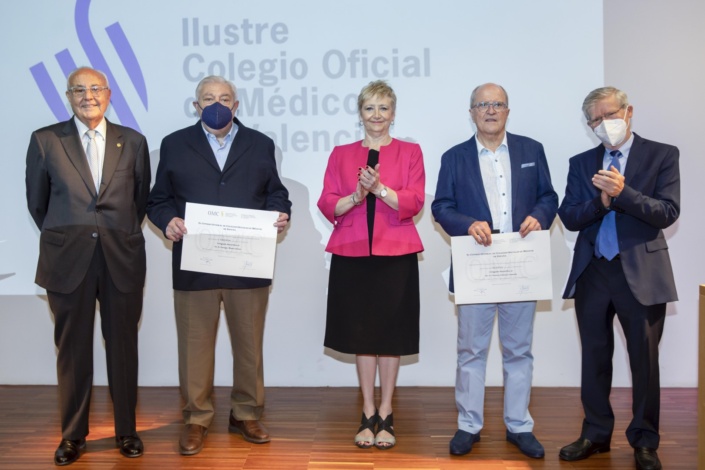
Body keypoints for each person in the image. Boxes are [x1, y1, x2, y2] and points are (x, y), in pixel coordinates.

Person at [146, 75, 291, 456]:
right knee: (194, 347)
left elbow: (276, 192)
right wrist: (167, 221)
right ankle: (196, 418)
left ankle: (246, 413)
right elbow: (158, 200)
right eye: (208, 98)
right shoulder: (174, 144)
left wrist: (280, 212)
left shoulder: (260, 143)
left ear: (236, 106)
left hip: (247, 263)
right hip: (195, 264)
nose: (217, 104)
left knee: (249, 346)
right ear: (196, 106)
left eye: (224, 98)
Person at [25, 66, 150, 465]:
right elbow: (38, 203)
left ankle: (127, 431)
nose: (87, 96)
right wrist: (73, 232)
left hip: (120, 258)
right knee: (73, 351)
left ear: (108, 94)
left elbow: (139, 202)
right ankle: (73, 436)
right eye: (78, 90)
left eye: (95, 88)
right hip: (67, 260)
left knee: (124, 348)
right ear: (68, 97)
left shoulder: (133, 141)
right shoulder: (45, 140)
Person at [431, 83, 558, 459]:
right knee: (471, 350)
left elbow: (549, 197)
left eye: (497, 104)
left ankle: (519, 425)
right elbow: (441, 207)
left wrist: (539, 215)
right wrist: (468, 224)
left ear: (507, 111)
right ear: (471, 112)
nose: (490, 110)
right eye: (483, 104)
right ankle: (468, 424)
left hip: (520, 262)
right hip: (477, 264)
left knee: (519, 350)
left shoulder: (531, 150)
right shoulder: (454, 157)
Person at [557, 86, 679, 470]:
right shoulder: (582, 162)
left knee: (644, 362)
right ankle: (595, 434)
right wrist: (601, 202)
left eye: (609, 115)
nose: (603, 124)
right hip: (594, 271)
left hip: (641, 273)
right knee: (594, 358)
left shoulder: (662, 154)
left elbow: (667, 212)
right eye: (594, 119)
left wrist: (624, 194)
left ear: (628, 112)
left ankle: (645, 440)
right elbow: (569, 216)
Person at [317, 80, 424, 450]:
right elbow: (327, 203)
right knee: (361, 333)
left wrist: (379, 189)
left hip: (396, 253)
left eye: (383, 108)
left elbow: (414, 201)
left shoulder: (410, 151)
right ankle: (367, 411)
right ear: (360, 113)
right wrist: (357, 195)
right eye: (369, 108)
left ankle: (387, 410)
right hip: (352, 254)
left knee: (391, 334)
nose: (376, 115)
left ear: (393, 114)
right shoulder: (341, 153)